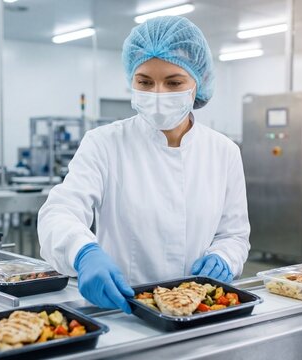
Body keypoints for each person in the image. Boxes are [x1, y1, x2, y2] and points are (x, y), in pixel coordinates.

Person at [38, 16, 250, 313]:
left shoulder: (223, 151)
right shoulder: (104, 143)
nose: (158, 94)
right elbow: (60, 211)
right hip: (122, 308)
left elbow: (234, 234)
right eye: (145, 82)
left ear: (196, 84)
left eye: (174, 82)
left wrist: (224, 257)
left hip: (201, 308)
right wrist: (83, 252)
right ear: (131, 80)